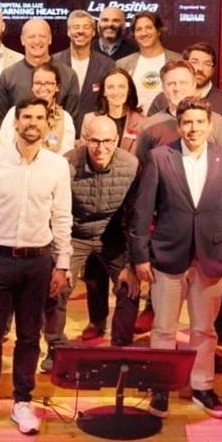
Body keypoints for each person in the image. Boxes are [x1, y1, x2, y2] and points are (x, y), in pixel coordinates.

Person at [0, 97, 74, 435]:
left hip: (37, 261)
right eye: (27, 117)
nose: (33, 123)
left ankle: (23, 400)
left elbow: (62, 217)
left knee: (29, 335)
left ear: (47, 124)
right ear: (16, 122)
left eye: (39, 117)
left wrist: (62, 263)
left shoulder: (57, 166)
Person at [128, 97, 222, 419]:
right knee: (163, 328)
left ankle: (203, 386)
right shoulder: (159, 157)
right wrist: (140, 256)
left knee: (204, 329)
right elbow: (142, 211)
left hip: (211, 256)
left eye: (199, 122)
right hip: (167, 256)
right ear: (179, 126)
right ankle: (160, 386)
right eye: (187, 122)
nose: (193, 128)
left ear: (210, 125)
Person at [63, 115, 141, 350]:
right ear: (85, 139)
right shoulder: (67, 163)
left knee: (129, 287)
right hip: (76, 234)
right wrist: (59, 259)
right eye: (95, 141)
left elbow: (135, 217)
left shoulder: (131, 165)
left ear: (116, 140)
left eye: (107, 141)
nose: (101, 148)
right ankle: (56, 344)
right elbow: (57, 212)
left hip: (114, 235)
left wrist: (131, 264)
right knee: (57, 285)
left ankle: (120, 343)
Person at [135, 60, 222, 164]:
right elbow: (141, 166)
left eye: (183, 83)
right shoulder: (149, 126)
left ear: (194, 85)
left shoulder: (216, 122)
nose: (177, 88)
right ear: (163, 88)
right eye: (171, 84)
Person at [0, 18, 81, 122]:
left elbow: (72, 121)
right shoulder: (8, 75)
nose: (37, 41)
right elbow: (1, 120)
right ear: (22, 40)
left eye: (42, 36)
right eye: (31, 36)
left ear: (50, 39)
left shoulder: (68, 75)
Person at [0, 63, 76, 154]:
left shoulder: (65, 118)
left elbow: (66, 155)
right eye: (38, 83)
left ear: (57, 87)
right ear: (32, 87)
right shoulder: (14, 112)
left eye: (48, 83)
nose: (42, 88)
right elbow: (2, 148)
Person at [53, 10, 116, 119]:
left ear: (93, 32)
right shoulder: (54, 62)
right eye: (76, 27)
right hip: (60, 125)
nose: (81, 31)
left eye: (86, 27)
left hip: (95, 126)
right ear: (68, 31)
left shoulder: (107, 65)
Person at [116, 11, 180, 113]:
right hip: (133, 121)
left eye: (149, 28)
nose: (144, 33)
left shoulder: (178, 61)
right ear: (134, 34)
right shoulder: (123, 64)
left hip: (169, 120)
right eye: (139, 29)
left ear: (158, 31)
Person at [148, 43, 222, 118]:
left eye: (207, 64)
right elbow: (150, 126)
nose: (200, 68)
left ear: (213, 69)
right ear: (184, 64)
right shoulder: (163, 99)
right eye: (195, 62)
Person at [83, 68, 145, 153]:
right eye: (110, 87)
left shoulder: (143, 122)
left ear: (129, 90)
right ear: (104, 91)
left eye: (121, 87)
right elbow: (83, 153)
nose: (116, 92)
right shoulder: (89, 120)